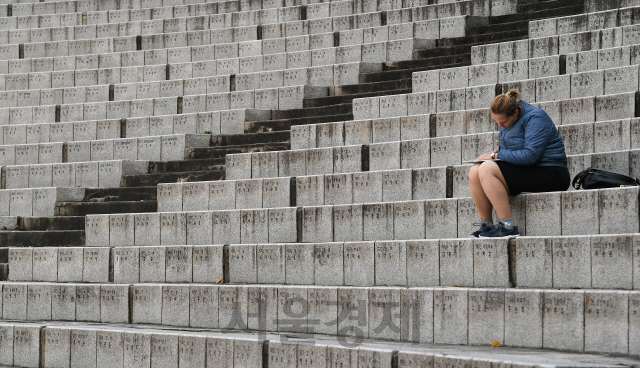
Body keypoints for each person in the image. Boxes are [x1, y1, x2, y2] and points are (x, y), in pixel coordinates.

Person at [468, 89, 570, 237]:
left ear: (516, 112)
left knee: (486, 168)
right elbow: (511, 152)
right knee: (475, 170)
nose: (500, 126)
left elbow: (531, 155)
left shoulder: (535, 117)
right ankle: (487, 225)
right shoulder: (507, 121)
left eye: (503, 122)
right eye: (497, 122)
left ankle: (508, 227)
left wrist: (495, 155)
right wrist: (496, 155)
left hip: (551, 172)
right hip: (526, 170)